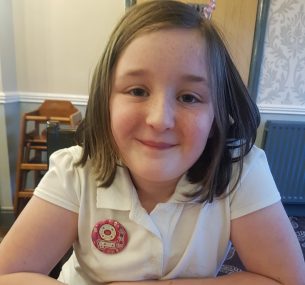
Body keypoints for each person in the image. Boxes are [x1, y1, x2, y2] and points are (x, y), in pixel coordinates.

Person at [0, 1, 304, 284]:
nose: (160, 120)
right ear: (106, 102)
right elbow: (9, 274)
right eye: (137, 91)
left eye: (189, 97)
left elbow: (285, 278)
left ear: (216, 117)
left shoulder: (242, 172)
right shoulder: (76, 171)